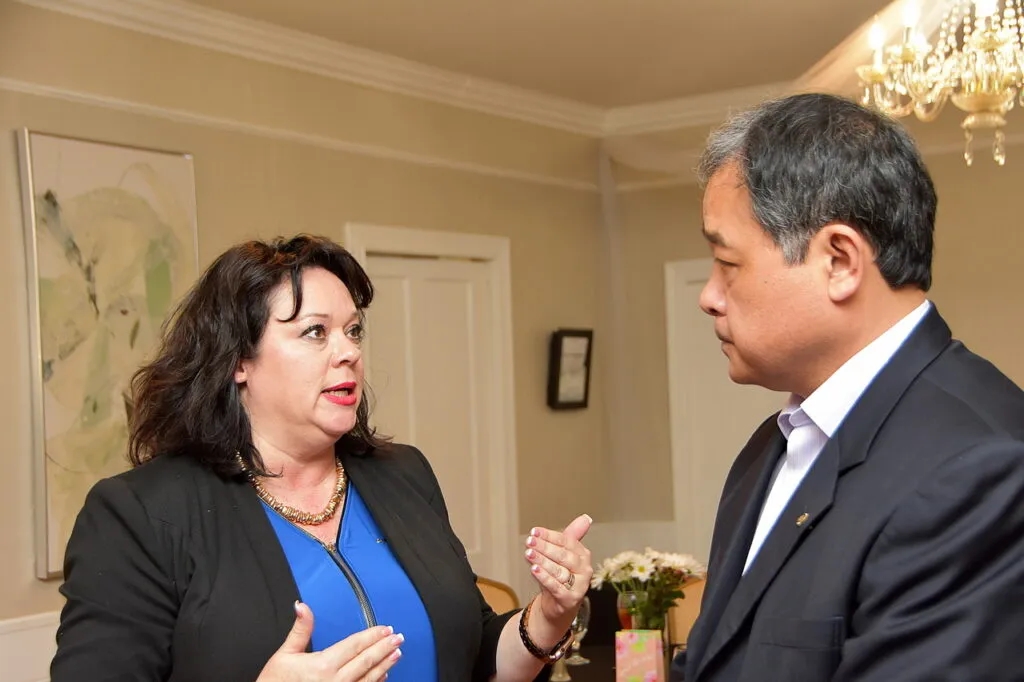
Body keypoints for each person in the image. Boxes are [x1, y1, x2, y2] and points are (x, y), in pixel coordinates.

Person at [50, 234, 594, 682]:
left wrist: (548, 617)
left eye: (353, 331)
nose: (349, 351)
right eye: (315, 332)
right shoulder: (140, 514)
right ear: (239, 361)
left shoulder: (403, 475)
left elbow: (473, 657)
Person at [672, 93, 1024, 682]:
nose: (709, 296)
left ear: (839, 261)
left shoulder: (981, 469)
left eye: (727, 263)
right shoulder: (772, 447)